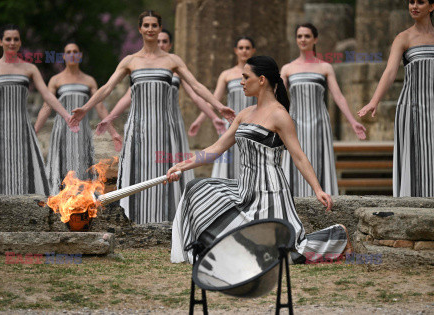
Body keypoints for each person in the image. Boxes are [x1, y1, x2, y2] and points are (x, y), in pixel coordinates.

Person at [166, 56, 351, 264]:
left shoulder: (280, 115)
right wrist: (180, 166)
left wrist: (317, 189)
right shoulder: (244, 114)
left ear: (262, 79)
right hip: (244, 191)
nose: (241, 82)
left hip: (269, 195)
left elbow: (298, 156)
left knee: (276, 257)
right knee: (196, 188)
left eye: (246, 77)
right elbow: (216, 149)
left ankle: (337, 235)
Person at [69, 11, 235, 224]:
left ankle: (170, 221)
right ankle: (133, 220)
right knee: (137, 171)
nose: (150, 29)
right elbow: (108, 87)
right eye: (146, 25)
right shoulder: (130, 61)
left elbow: (196, 86)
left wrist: (219, 106)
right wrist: (85, 108)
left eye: (154, 25)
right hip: (137, 127)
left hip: (165, 127)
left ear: (159, 28)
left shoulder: (172, 60)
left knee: (167, 171)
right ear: (140, 29)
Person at [0, 24, 78, 196]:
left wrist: (66, 116)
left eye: (16, 39)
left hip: (23, 128)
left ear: (20, 43)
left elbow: (47, 96)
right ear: (0, 42)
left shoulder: (30, 69)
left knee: (26, 169)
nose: (12, 42)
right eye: (8, 39)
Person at [280, 23, 366, 197]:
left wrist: (353, 122)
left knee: (319, 160)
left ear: (315, 39)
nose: (303, 39)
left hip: (319, 122)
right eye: (299, 36)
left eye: (307, 36)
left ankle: (323, 200)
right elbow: (278, 99)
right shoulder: (287, 69)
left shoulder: (325, 67)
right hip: (295, 124)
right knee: (295, 160)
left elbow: (338, 96)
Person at [358, 0, 434, 197]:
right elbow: (390, 72)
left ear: (431, 7)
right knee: (415, 159)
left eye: (420, 2)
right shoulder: (404, 38)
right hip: (412, 107)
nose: (414, 6)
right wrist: (374, 101)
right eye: (411, 2)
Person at [34, 42, 122, 194]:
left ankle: (82, 202)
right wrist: (34, 131)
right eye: (69, 52)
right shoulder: (56, 80)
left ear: (80, 55)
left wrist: (113, 132)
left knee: (82, 167)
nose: (72, 54)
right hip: (62, 131)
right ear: (64, 56)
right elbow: (47, 107)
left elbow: (100, 106)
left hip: (81, 132)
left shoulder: (89, 81)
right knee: (61, 167)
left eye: (75, 51)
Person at [188, 36, 257, 179]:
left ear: (253, 51)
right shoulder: (226, 74)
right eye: (241, 48)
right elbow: (214, 100)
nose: (244, 51)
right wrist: (199, 121)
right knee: (228, 164)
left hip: (253, 124)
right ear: (235, 51)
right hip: (231, 125)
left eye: (247, 48)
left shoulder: (258, 74)